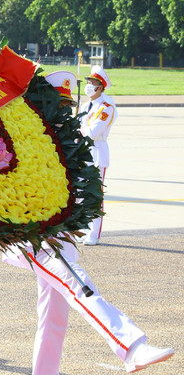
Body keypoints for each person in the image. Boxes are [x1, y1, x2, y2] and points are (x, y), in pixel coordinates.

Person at [2, 71, 174, 375]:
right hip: (33, 240)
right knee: (80, 286)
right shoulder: (23, 139)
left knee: (53, 323)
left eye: (66, 105)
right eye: (56, 105)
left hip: (60, 239)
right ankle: (130, 346)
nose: (63, 112)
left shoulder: (66, 142)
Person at [79, 66, 115, 246]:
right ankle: (83, 229)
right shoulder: (86, 106)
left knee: (94, 195)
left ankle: (94, 233)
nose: (88, 86)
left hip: (97, 153)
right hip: (83, 153)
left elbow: (94, 132)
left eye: (91, 83)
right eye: (87, 82)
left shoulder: (107, 106)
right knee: (80, 193)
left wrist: (82, 129)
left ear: (100, 87)